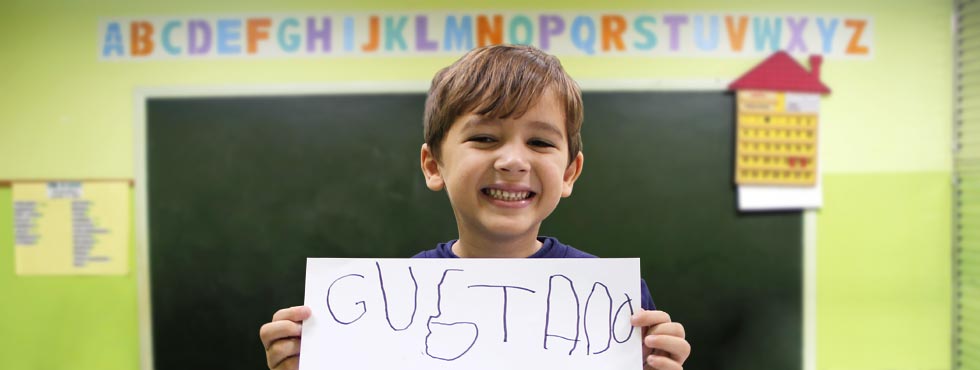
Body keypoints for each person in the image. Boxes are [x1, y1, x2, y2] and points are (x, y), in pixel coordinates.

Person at [259, 44, 691, 370]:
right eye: (484, 138)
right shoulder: (391, 302)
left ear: (569, 174)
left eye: (540, 142)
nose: (512, 160)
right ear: (434, 166)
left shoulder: (615, 303)